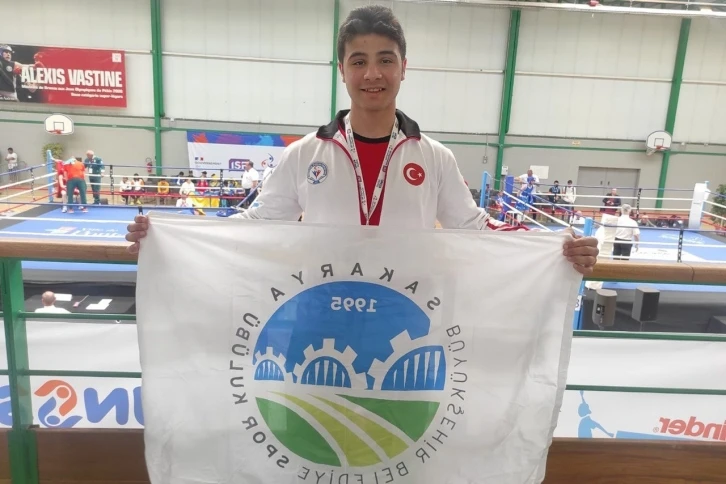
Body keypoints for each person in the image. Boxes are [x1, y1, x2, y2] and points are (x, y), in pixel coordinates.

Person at [126, 5, 598, 275]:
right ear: (342, 70)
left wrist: (555, 245)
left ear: (404, 68)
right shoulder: (304, 154)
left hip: (408, 318)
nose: (373, 74)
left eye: (385, 60)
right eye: (359, 61)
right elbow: (254, 224)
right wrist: (169, 236)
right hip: (319, 313)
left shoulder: (435, 158)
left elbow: (475, 228)